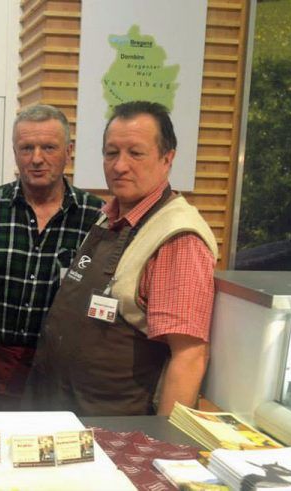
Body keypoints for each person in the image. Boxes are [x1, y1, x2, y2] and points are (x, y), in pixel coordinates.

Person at [27, 101, 218, 416]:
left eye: (136, 153)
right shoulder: (108, 218)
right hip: (63, 411)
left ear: (167, 158)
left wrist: (162, 446)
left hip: (116, 424)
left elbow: (190, 356)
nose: (119, 166)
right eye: (111, 153)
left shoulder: (177, 237)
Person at [0, 105, 104, 410]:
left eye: (49, 147)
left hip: (60, 378)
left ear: (69, 151)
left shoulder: (97, 220)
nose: (37, 158)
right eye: (26, 147)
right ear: (15, 152)